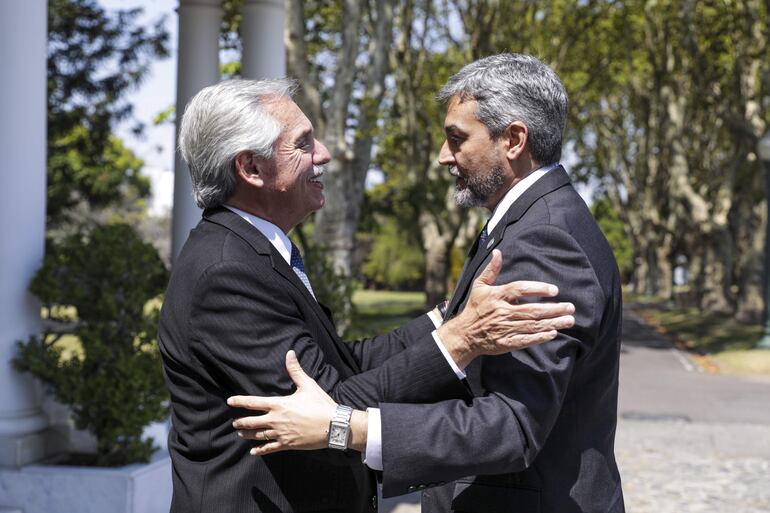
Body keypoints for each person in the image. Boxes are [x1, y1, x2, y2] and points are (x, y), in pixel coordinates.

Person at [157, 78, 576, 513]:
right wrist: (460, 341)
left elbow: (341, 364)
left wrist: (446, 318)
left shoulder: (250, 251)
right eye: (303, 144)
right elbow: (327, 406)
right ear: (251, 168)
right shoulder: (226, 270)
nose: (324, 154)